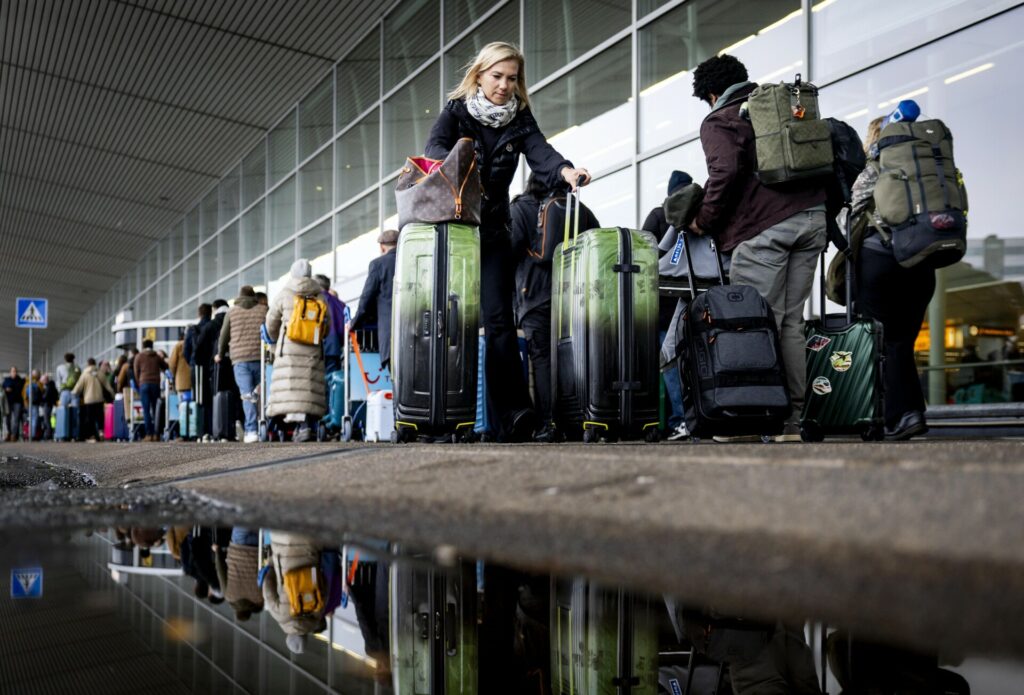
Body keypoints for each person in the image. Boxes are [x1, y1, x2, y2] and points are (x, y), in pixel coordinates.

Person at [425, 41, 591, 442]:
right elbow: (433, 149)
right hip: (454, 231)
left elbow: (542, 154)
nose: (504, 85)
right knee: (452, 321)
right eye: (497, 76)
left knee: (499, 322)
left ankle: (514, 417)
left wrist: (566, 172)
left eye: (512, 78)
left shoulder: (520, 119)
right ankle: (444, 417)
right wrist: (456, 165)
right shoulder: (456, 112)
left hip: (493, 230)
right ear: (479, 75)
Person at [690, 55, 828, 443]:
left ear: (711, 93)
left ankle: (748, 420)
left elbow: (726, 171)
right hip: (812, 219)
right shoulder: (777, 106)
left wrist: (704, 219)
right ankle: (790, 423)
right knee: (790, 324)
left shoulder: (721, 118)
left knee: (751, 324)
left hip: (766, 230)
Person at [843, 114, 935, 440]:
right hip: (923, 264)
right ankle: (912, 411)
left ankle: (898, 417)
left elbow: (849, 214)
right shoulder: (925, 170)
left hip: (881, 261)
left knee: (885, 341)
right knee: (902, 342)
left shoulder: (875, 168)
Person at [509, 174, 600, 442]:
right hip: (573, 297)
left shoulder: (521, 208)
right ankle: (577, 420)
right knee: (573, 359)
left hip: (535, 296)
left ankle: (549, 424)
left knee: (543, 359)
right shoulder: (579, 209)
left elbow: (510, 252)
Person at [642, 170, 699, 441]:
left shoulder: (658, 216)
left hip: (663, 308)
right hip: (696, 302)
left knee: (670, 365)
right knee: (692, 365)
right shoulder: (700, 215)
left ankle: (680, 420)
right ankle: (694, 418)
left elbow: (644, 255)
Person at [265, 259, 329, 441]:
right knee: (308, 388)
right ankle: (306, 425)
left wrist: (277, 340)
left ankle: (287, 427)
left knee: (289, 387)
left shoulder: (284, 294)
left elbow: (271, 322)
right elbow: (327, 324)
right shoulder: (319, 295)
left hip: (289, 351)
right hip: (312, 350)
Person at [216, 286, 268, 443]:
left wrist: (220, 353)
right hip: (260, 357)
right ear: (254, 296)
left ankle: (251, 430)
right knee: (261, 393)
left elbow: (224, 336)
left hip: (240, 359)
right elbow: (271, 330)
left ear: (239, 296)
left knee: (247, 395)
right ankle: (263, 424)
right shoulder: (263, 310)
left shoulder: (232, 312)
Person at [347, 230, 397, 370]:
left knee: (397, 383)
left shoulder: (378, 264)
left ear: (382, 247)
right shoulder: (412, 261)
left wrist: (354, 323)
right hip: (415, 337)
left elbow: (367, 298)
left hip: (390, 336)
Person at [72, 358, 114, 442]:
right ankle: (101, 432)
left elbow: (78, 387)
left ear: (88, 364)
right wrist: (113, 394)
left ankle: (92, 436)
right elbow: (107, 385)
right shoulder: (100, 373)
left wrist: (74, 393)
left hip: (89, 399)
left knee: (90, 418)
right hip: (99, 398)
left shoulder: (85, 374)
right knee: (100, 417)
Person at [133, 339, 168, 441]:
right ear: (152, 346)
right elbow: (166, 367)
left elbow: (136, 372)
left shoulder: (139, 356)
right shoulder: (157, 356)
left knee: (146, 410)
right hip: (155, 385)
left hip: (144, 384)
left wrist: (139, 382)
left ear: (143, 346)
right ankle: (157, 434)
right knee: (156, 410)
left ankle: (149, 434)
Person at [313, 274, 348, 374]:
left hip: (319, 347)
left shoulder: (315, 301)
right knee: (333, 380)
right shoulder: (340, 304)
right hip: (335, 348)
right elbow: (343, 328)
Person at [167, 332, 192, 400]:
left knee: (183, 404)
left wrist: (173, 375)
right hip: (195, 380)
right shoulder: (195, 342)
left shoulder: (179, 346)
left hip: (182, 380)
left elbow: (172, 364)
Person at [3, 367, 25, 441]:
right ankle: (9, 433)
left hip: (17, 402)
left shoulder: (20, 380)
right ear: (10, 372)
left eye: (15, 371)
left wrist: (11, 388)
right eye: (12, 371)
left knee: (16, 419)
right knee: (8, 419)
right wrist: (7, 388)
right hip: (8, 402)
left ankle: (14, 435)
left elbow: (19, 389)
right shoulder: (7, 380)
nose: (14, 372)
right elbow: (4, 387)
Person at [40, 373, 59, 440]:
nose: (42, 382)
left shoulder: (48, 387)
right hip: (50, 404)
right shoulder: (51, 386)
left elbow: (45, 397)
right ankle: (49, 434)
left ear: (45, 380)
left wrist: (41, 399)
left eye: (42, 381)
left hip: (48, 405)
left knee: (47, 420)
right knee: (48, 420)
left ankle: (48, 435)